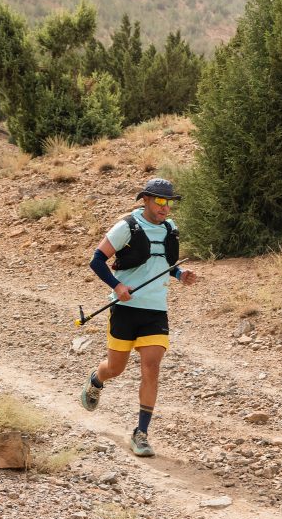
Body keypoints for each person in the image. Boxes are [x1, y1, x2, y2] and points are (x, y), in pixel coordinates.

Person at [79, 177, 197, 457]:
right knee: (115, 368)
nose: (165, 207)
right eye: (160, 201)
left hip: (155, 310)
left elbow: (165, 265)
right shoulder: (126, 227)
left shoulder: (170, 229)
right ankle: (96, 379)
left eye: (169, 202)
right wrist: (117, 286)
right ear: (145, 200)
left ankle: (141, 433)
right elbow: (97, 260)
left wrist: (180, 274)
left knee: (151, 367)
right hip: (125, 310)